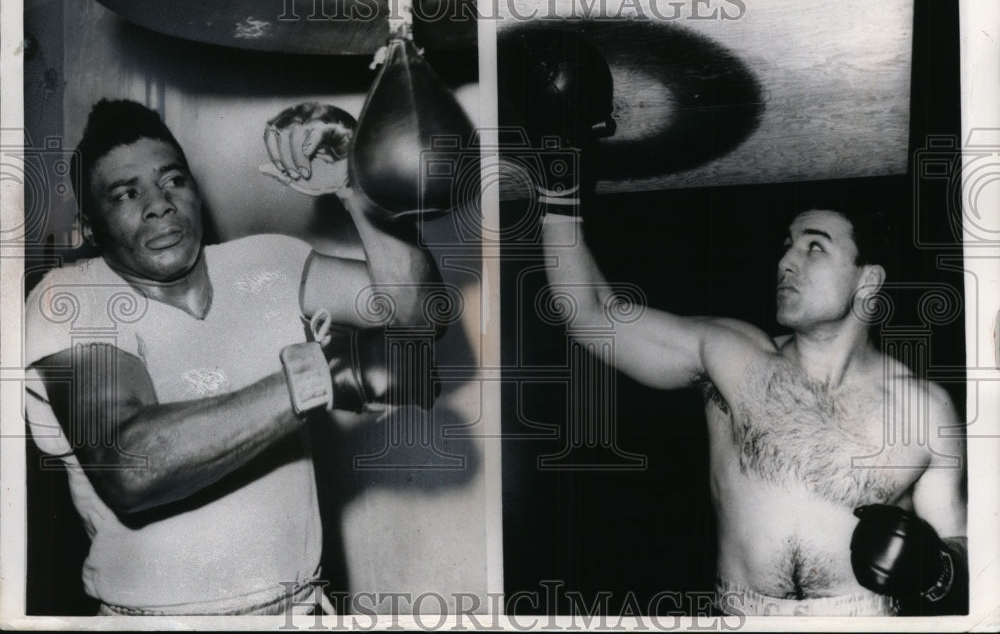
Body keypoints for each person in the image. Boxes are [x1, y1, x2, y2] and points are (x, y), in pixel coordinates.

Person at [525, 42, 967, 617]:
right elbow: (588, 313)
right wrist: (560, 167)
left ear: (868, 280)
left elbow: (961, 546)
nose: (787, 261)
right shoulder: (733, 357)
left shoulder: (923, 410)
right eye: (787, 245)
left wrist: (937, 567)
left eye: (815, 248)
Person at [23, 99, 442, 615]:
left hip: (299, 612)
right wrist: (323, 377)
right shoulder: (69, 295)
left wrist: (360, 185)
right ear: (91, 227)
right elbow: (131, 466)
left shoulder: (267, 262)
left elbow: (421, 314)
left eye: (172, 180)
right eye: (126, 193)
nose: (159, 204)